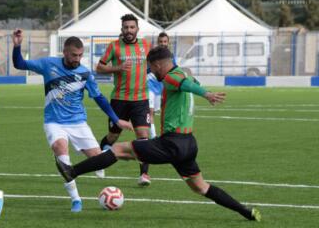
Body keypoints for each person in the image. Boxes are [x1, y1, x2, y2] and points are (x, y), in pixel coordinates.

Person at [55, 46, 261, 221]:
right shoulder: (186, 73)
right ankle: (246, 212)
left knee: (118, 149)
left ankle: (72, 172)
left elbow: (185, 85)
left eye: (152, 68)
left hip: (172, 143)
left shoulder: (172, 78)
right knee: (201, 187)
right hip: (189, 144)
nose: (152, 72)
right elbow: (191, 83)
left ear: (159, 64)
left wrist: (206, 94)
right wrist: (204, 90)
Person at [12, 29, 133, 213]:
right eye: (74, 55)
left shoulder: (85, 74)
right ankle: (76, 199)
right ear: (65, 52)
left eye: (80, 55)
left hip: (78, 123)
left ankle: (101, 153)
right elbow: (20, 64)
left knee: (99, 159)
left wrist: (117, 120)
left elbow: (99, 98)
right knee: (61, 150)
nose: (77, 59)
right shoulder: (48, 64)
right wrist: (17, 45)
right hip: (54, 121)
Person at [96, 14, 152, 186]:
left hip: (141, 100)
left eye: (132, 27)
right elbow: (99, 67)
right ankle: (99, 160)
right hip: (119, 100)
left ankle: (144, 175)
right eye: (126, 27)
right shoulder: (114, 47)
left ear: (137, 29)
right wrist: (117, 68)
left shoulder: (146, 45)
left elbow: (154, 64)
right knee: (112, 137)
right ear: (122, 29)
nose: (129, 30)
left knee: (143, 138)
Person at [147, 32, 175, 138]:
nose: (163, 43)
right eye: (160, 41)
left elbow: (174, 69)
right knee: (150, 112)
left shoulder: (171, 56)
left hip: (161, 87)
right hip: (149, 84)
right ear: (157, 42)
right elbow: (148, 68)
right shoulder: (153, 54)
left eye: (165, 41)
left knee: (161, 112)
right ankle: (154, 136)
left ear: (168, 43)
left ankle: (163, 134)